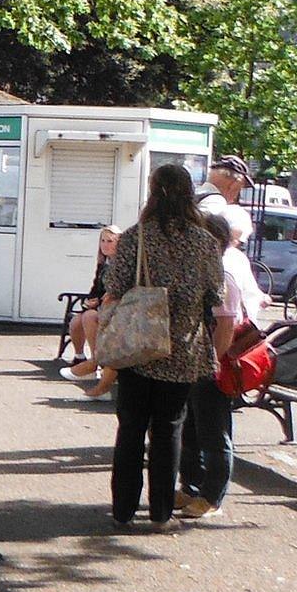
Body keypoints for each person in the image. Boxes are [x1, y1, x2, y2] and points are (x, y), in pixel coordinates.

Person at [104, 161, 225, 530]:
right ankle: (160, 514)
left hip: (138, 347)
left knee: (131, 429)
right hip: (181, 350)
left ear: (153, 192)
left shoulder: (134, 237)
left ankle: (123, 510)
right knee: (169, 430)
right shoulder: (205, 242)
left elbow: (115, 286)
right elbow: (215, 293)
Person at [177, 212, 266, 519]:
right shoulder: (204, 269)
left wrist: (211, 365)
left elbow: (226, 325)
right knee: (190, 427)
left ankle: (212, 495)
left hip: (211, 364)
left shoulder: (222, 274)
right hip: (194, 359)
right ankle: (190, 487)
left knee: (213, 431)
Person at [63, 226, 122, 392]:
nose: (105, 245)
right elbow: (95, 290)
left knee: (89, 317)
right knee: (76, 320)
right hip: (101, 306)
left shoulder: (122, 264)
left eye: (109, 241)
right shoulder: (103, 264)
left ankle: (98, 361)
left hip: (115, 310)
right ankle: (79, 357)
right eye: (102, 241)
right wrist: (89, 302)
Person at [196, 154, 254, 249]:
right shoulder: (216, 201)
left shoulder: (196, 193)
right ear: (234, 184)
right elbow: (204, 235)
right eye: (239, 189)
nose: (235, 197)